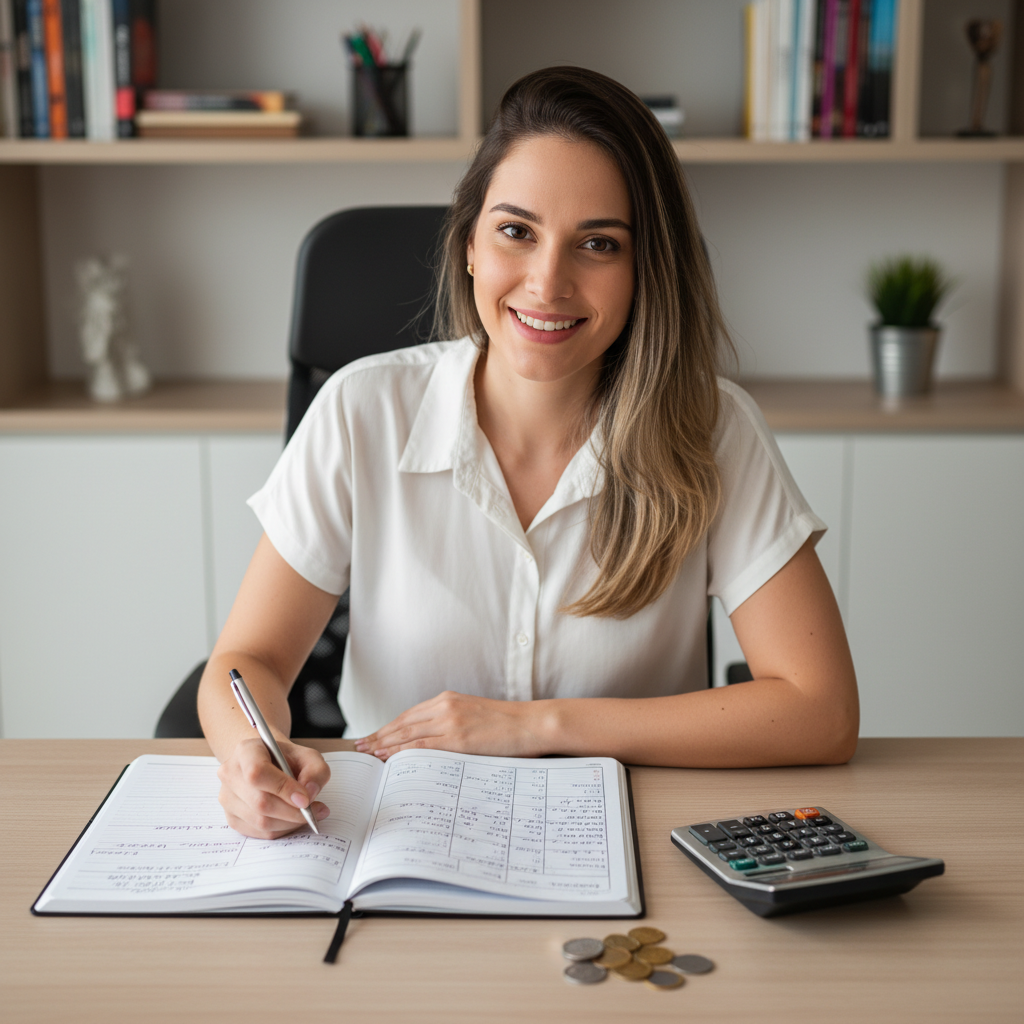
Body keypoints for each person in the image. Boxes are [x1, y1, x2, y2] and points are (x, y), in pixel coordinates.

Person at [198, 66, 858, 840]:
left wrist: (537, 726)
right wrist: (249, 750)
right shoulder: (361, 409)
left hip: (624, 837)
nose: (548, 283)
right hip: (391, 833)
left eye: (599, 244)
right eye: (517, 231)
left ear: (645, 272)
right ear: (471, 242)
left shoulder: (713, 429)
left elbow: (821, 712)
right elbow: (248, 661)